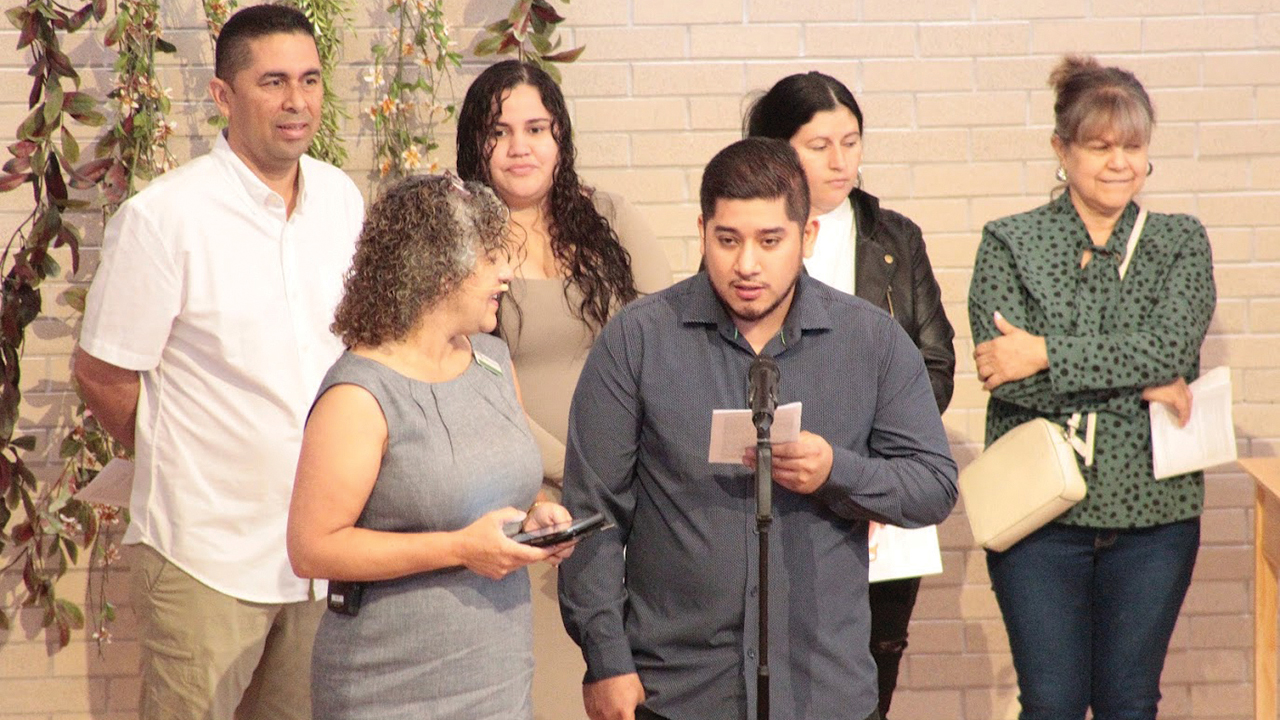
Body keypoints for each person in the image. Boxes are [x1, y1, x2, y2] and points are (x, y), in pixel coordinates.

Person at [558, 137, 958, 720]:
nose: (747, 264)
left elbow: (933, 486)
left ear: (808, 237)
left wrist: (836, 471)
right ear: (702, 231)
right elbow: (592, 515)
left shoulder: (872, 341)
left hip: (824, 690)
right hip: (677, 691)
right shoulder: (638, 340)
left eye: (770, 241)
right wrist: (607, 659)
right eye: (728, 240)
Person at [70, 6, 364, 720]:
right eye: (272, 82)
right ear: (223, 96)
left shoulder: (343, 201)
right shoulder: (166, 217)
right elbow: (103, 374)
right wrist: (182, 452)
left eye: (309, 80)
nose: (297, 102)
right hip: (205, 555)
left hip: (317, 555)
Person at [967, 55, 1216, 720]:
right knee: (1049, 702)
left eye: (1132, 147)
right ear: (1062, 149)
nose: (1118, 163)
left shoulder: (1178, 242)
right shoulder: (1010, 242)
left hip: (1154, 518)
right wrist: (1143, 386)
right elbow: (1005, 379)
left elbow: (1170, 348)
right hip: (1041, 516)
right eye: (1100, 146)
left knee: (1129, 702)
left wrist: (1044, 352)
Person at [287, 173, 574, 719]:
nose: (507, 274)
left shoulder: (492, 361)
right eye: (492, 258)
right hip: (391, 688)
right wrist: (458, 549)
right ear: (439, 269)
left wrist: (539, 514)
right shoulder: (360, 393)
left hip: (498, 677)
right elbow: (311, 548)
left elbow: (500, 484)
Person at [456, 59, 671, 717]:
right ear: (474, 142)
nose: (521, 147)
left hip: (627, 499)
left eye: (537, 128)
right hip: (526, 504)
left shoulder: (611, 220)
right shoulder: (458, 236)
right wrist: (581, 475)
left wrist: (629, 473)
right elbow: (469, 380)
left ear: (561, 136)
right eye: (500, 131)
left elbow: (671, 350)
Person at [745, 71, 955, 719]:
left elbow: (935, 366)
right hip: (776, 500)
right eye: (819, 145)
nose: (841, 162)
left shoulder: (894, 238)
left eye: (852, 141)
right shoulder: (749, 237)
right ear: (778, 150)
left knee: (868, 681)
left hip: (880, 494)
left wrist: (857, 462)